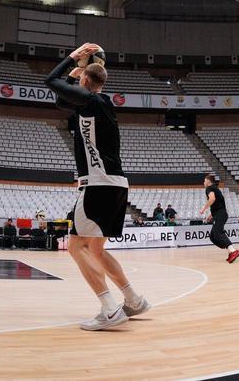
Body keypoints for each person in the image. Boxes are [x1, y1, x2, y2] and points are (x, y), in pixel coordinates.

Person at [45, 42, 148, 331]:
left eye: (81, 80)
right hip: (115, 184)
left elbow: (49, 82)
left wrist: (71, 59)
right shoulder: (99, 103)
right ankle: (134, 300)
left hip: (98, 184)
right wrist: (75, 75)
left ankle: (110, 309)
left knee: (77, 246)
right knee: (97, 249)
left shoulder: (90, 101)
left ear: (86, 81)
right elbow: (60, 100)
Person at [200, 173, 239, 262]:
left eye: (204, 180)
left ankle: (233, 250)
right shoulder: (215, 188)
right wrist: (211, 215)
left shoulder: (209, 188)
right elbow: (217, 204)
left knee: (218, 233)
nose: (203, 182)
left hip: (220, 214)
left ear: (208, 181)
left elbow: (212, 199)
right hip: (220, 213)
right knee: (212, 236)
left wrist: (203, 208)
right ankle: (230, 250)